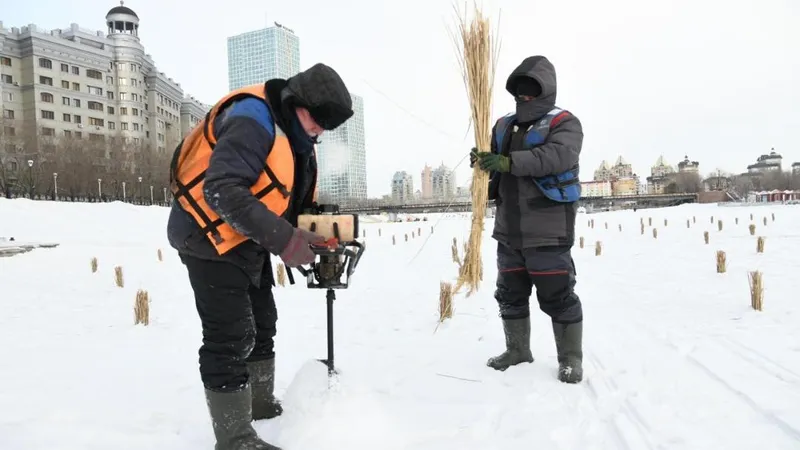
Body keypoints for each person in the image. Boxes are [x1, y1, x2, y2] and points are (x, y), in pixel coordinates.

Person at [167, 63, 354, 449]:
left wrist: (323, 232)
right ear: (298, 103)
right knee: (230, 335)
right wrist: (286, 241)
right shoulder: (252, 118)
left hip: (245, 237)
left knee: (263, 322)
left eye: (326, 127)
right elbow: (222, 190)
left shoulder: (299, 141)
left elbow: (286, 200)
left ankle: (260, 404)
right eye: (317, 121)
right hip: (206, 236)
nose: (319, 131)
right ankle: (235, 438)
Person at [471, 55, 584, 383]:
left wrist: (508, 163)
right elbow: (493, 160)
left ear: (545, 89)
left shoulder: (564, 122)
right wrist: (482, 162)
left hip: (548, 229)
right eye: (519, 89)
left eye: (531, 89)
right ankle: (517, 350)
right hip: (509, 230)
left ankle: (570, 359)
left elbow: (556, 156)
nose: (524, 95)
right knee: (509, 292)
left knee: (558, 294)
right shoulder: (502, 125)